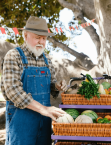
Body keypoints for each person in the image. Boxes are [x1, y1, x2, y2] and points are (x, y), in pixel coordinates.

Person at [1, 16, 68, 145]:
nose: (41, 42)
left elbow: (51, 84)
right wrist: (44, 109)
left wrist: (56, 86)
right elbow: (13, 91)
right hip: (21, 123)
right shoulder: (14, 56)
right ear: (25, 36)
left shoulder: (47, 59)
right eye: (37, 37)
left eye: (44, 38)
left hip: (44, 122)